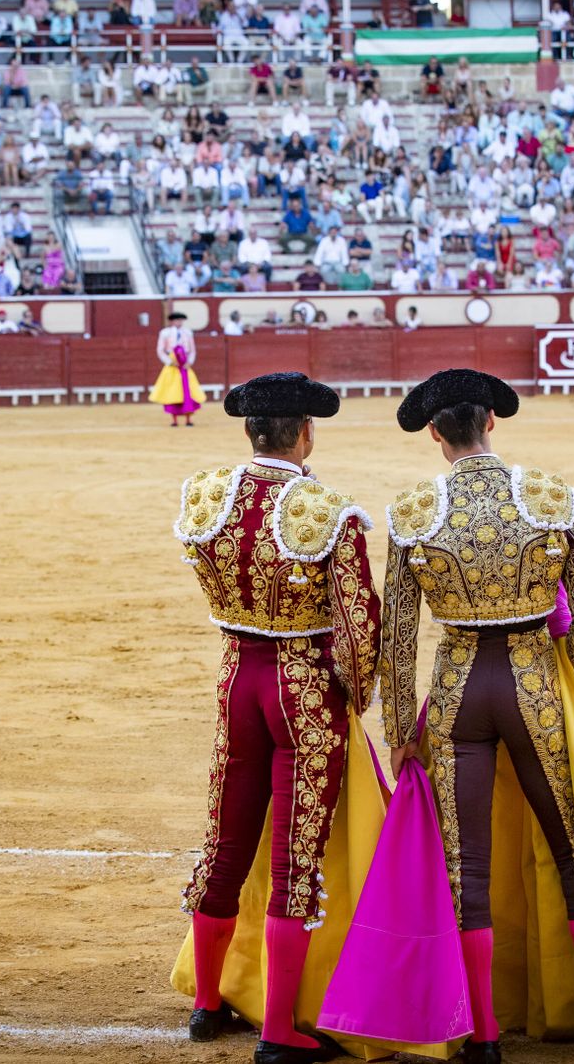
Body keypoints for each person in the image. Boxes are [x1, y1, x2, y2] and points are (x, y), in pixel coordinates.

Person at [375, 370, 574, 1064]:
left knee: (464, 871)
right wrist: (564, 674)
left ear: (434, 434)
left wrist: (400, 732)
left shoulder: (413, 510)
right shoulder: (548, 498)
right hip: (533, 684)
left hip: (454, 692)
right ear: (491, 421)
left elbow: (396, 641)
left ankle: (480, 1037)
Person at [171, 372, 380, 1064]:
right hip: (303, 688)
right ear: (306, 432)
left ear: (249, 433)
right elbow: (358, 626)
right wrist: (359, 692)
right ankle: (279, 1030)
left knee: (223, 841)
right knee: (295, 857)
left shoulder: (205, 497)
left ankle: (206, 1004)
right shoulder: (330, 511)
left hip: (236, 678)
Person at [149, 311, 204, 427]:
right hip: (172, 366)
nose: (179, 322)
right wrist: (169, 361)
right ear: (172, 321)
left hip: (185, 365)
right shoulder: (165, 333)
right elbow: (160, 350)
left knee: (188, 392)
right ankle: (174, 420)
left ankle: (188, 419)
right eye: (177, 320)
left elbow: (192, 350)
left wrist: (189, 362)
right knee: (173, 393)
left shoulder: (188, 333)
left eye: (181, 320)